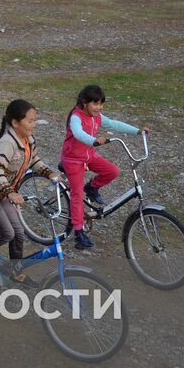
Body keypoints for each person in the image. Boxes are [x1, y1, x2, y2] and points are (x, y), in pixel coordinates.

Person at [0, 99, 61, 281]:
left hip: (3, 192)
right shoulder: (7, 143)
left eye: (35, 120)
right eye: (30, 121)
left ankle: (14, 270)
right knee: (6, 233)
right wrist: (10, 192)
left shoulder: (28, 140)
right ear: (15, 122)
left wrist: (49, 173)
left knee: (18, 232)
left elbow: (34, 160)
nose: (34, 125)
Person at [59, 84, 149, 250]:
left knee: (112, 171)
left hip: (89, 156)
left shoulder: (97, 116)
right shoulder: (76, 117)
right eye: (95, 103)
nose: (99, 107)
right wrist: (92, 140)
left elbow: (113, 124)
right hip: (73, 160)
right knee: (77, 195)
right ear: (84, 103)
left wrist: (137, 131)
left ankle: (92, 188)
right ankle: (78, 232)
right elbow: (78, 133)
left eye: (101, 104)